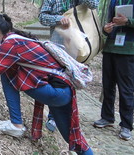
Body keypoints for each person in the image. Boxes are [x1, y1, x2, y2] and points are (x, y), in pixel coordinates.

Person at [0, 11, 93, 155]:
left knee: (6, 71)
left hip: (56, 92)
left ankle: (16, 124)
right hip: (61, 91)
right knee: (72, 138)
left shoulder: (11, 44)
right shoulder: (16, 39)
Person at [38, 0, 98, 132]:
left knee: (73, 79)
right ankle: (53, 117)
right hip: (57, 42)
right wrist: (59, 19)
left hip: (80, 42)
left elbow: (94, 4)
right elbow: (42, 17)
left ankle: (70, 117)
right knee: (56, 79)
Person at [93, 0, 134, 141]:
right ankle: (107, 117)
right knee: (107, 85)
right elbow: (108, 21)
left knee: (126, 89)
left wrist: (128, 21)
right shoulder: (113, 1)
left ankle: (126, 125)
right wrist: (106, 29)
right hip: (110, 47)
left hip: (129, 51)